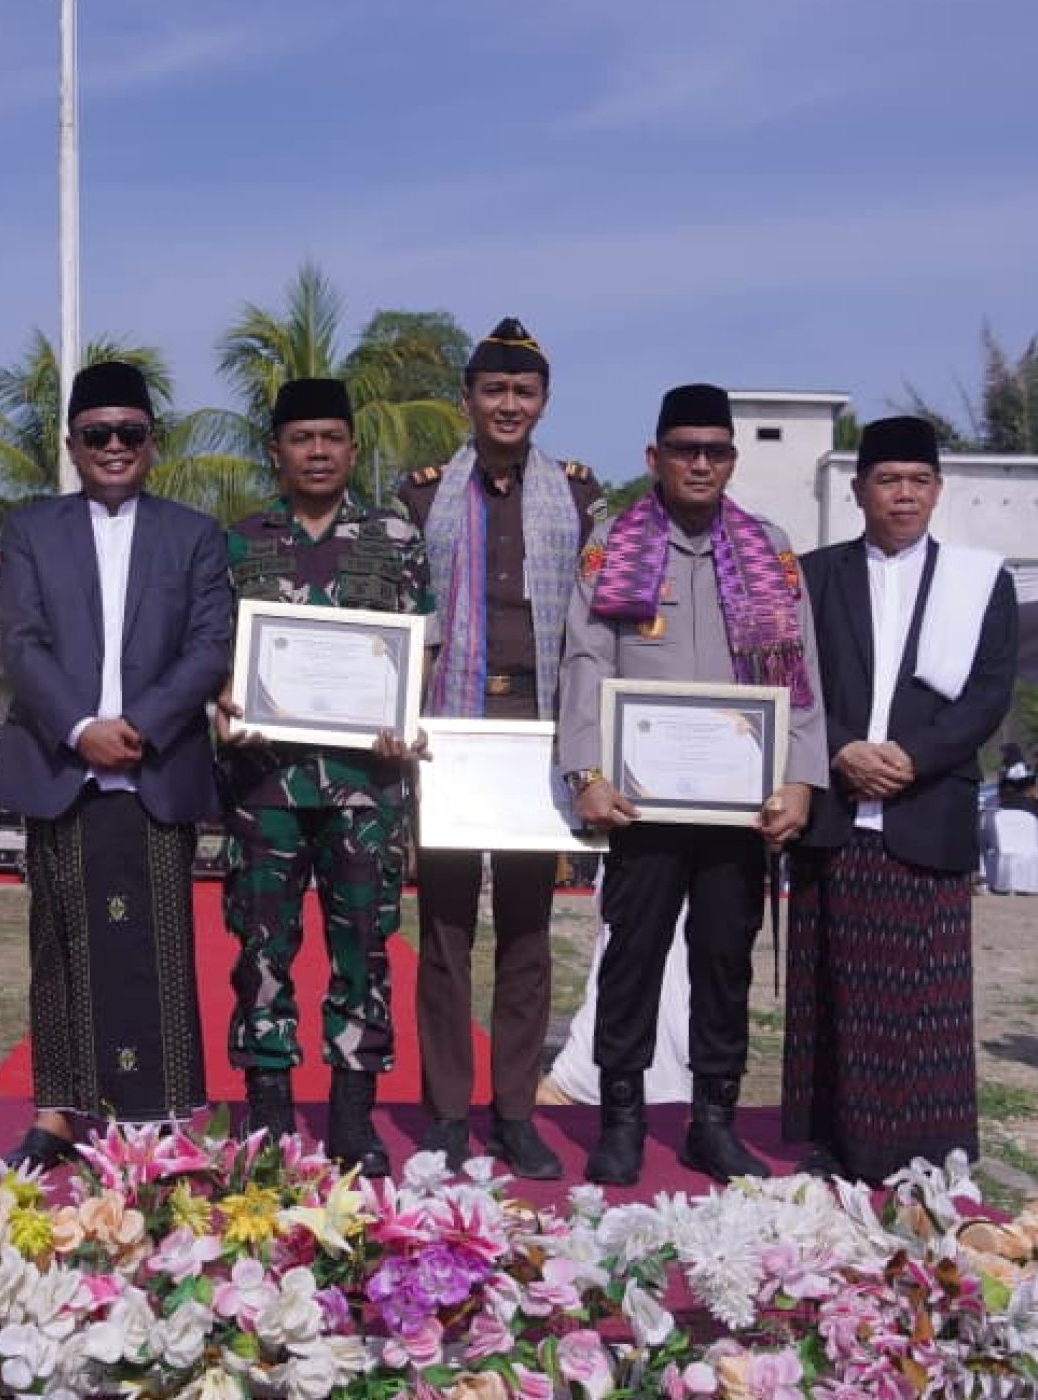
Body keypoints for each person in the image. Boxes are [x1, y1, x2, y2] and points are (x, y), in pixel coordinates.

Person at [560, 382, 828, 1186]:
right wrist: (587, 772)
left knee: (723, 960)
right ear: (656, 457)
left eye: (715, 451)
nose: (701, 464)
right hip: (640, 801)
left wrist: (800, 780)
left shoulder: (769, 550)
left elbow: (801, 675)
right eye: (685, 450)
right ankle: (621, 1119)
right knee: (632, 956)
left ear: (732, 461)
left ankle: (713, 1120)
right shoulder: (614, 545)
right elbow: (585, 661)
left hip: (740, 808)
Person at [0, 361, 232, 1169]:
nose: (114, 446)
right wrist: (81, 727)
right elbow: (19, 640)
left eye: (130, 432)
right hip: (63, 767)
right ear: (72, 444)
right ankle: (58, 1114)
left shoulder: (193, 534)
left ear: (152, 442)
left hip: (157, 767)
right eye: (98, 434)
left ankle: (163, 1118)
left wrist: (142, 726)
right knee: (58, 948)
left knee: (159, 949)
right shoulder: (31, 530)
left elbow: (210, 644)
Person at [392, 318, 606, 1178]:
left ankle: (515, 1111)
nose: (508, 405)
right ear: (468, 399)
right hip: (450, 727)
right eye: (494, 390)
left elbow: (599, 624)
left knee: (527, 930)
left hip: (540, 726)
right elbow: (402, 623)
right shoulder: (420, 497)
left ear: (544, 402)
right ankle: (448, 1113)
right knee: (444, 931)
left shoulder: (581, 499)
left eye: (524, 392)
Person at [783, 415, 1018, 1182]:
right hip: (836, 810)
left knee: (924, 997)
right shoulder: (813, 576)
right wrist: (841, 748)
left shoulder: (980, 581)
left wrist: (912, 759)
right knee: (835, 989)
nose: (904, 494)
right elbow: (789, 681)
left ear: (938, 490)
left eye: (919, 480)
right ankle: (835, 1142)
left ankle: (923, 1149)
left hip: (926, 810)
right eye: (888, 480)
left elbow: (988, 696)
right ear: (859, 491)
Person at [214, 378, 431, 1176]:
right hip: (265, 787)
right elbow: (213, 652)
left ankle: (352, 1117)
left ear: (352, 448)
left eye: (331, 438)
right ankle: (269, 1109)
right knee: (262, 948)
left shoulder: (395, 538)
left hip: (365, 786)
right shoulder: (241, 542)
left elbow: (423, 646)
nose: (317, 452)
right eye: (301, 439)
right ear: (276, 451)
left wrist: (407, 714)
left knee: (364, 948)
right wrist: (221, 703)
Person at [983, 769, 1038, 895]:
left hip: (1005, 846)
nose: (1037, 792)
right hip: (1030, 846)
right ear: (1030, 789)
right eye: (1036, 788)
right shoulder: (1031, 805)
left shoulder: (1006, 802)